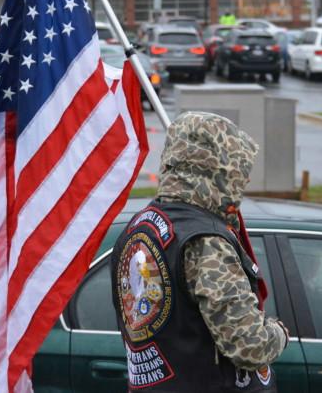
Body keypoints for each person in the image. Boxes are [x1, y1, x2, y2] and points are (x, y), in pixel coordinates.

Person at [111, 112, 288, 392]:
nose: (243, 182)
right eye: (237, 172)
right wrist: (279, 333)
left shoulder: (137, 228)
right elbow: (250, 345)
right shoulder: (205, 241)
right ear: (214, 170)